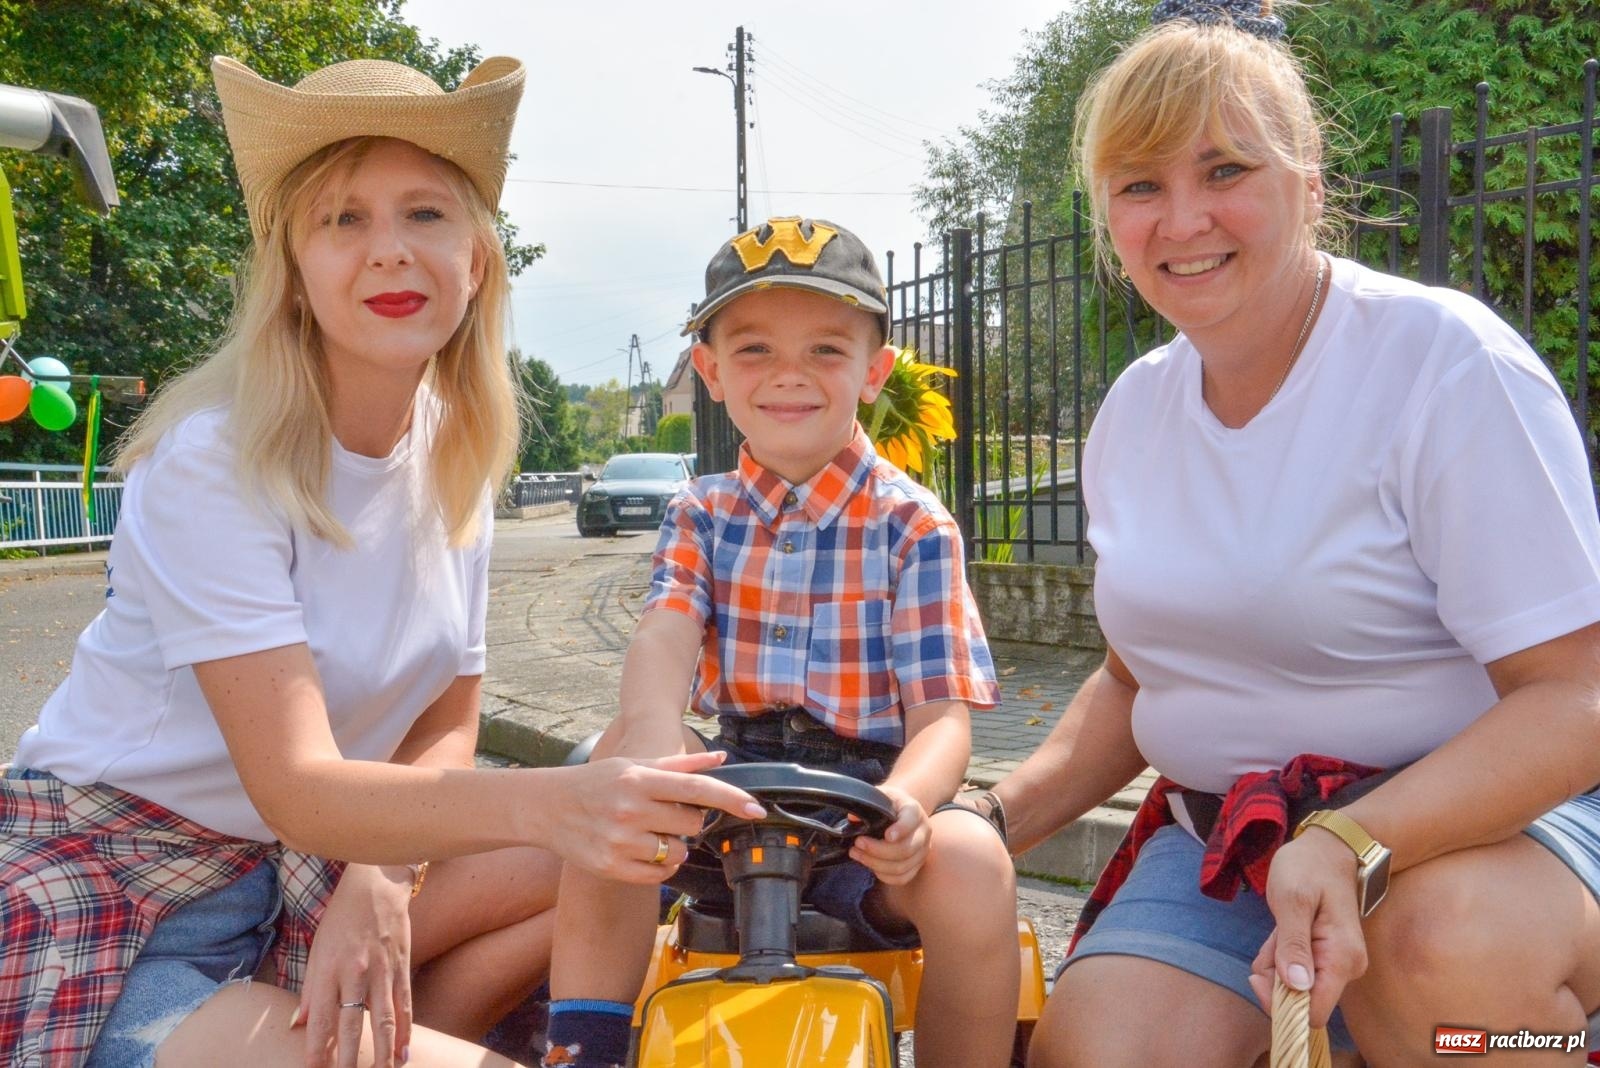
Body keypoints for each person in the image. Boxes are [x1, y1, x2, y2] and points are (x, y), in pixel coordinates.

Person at [0, 55, 763, 1068]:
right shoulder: (212, 463)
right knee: (585, 829)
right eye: (343, 220)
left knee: (640, 837)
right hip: (123, 893)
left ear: (478, 259)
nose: (389, 253)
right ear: (295, 265)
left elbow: (449, 716)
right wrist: (556, 803)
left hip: (313, 864)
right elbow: (298, 783)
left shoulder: (452, 443)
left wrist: (375, 867)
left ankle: (500, 1025)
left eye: (425, 214)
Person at [970, 2, 1600, 1065]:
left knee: (1436, 959)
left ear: (1306, 180)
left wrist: (1358, 838)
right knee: (1101, 1050)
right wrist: (988, 826)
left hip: (1487, 833)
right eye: (1138, 185)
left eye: (1224, 170)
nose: (1180, 220)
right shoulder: (1132, 412)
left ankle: (1546, 1045)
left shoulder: (1444, 365)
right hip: (1231, 839)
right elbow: (1138, 682)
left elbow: (1575, 698)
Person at [542, 217, 1020, 1068]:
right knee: (613, 774)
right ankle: (584, 1046)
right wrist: (652, 733)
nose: (790, 375)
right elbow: (666, 631)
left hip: (866, 805)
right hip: (733, 791)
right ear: (711, 372)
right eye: (755, 349)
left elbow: (942, 717)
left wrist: (911, 803)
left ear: (874, 373)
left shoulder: (914, 525)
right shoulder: (703, 511)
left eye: (827, 350)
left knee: (973, 862)